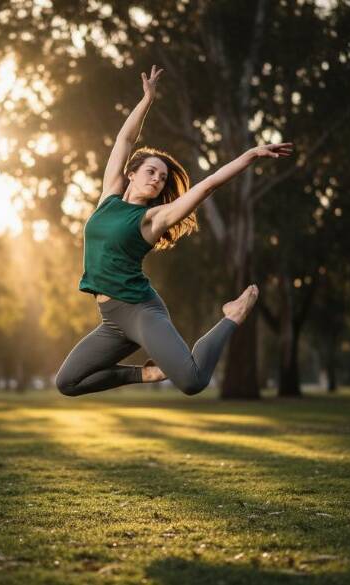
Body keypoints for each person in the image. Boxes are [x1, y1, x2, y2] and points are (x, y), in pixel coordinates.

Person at [55, 65, 293, 397]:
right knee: (67, 383)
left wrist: (250, 155)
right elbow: (125, 139)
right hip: (111, 319)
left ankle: (232, 315)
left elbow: (207, 186)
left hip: (139, 311)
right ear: (132, 173)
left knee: (193, 381)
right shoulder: (108, 196)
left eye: (163, 178)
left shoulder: (152, 219)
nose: (157, 179)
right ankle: (147, 375)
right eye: (151, 171)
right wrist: (147, 99)